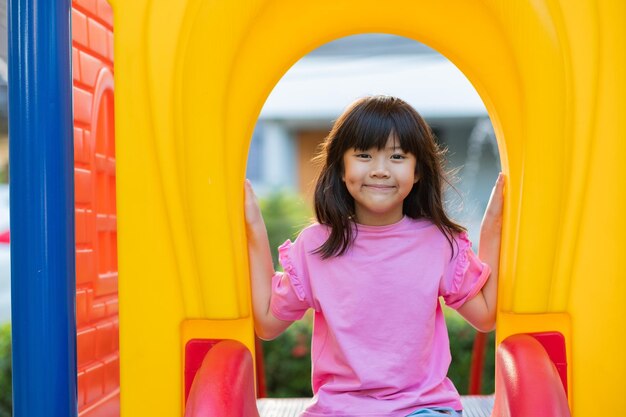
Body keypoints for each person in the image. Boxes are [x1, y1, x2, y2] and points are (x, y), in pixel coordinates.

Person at [244, 95, 504, 417]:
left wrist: (493, 225)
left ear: (418, 171)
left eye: (397, 156)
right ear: (341, 167)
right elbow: (268, 323)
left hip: (420, 408)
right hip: (340, 410)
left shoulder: (437, 243)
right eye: (364, 155)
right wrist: (253, 227)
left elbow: (486, 315)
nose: (380, 170)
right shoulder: (317, 246)